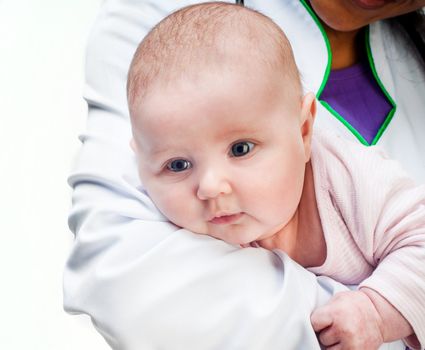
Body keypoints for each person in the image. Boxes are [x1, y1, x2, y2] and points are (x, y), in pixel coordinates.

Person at [64, 0, 425, 349]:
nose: (210, 187)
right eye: (178, 165)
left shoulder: (348, 176)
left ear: (303, 131)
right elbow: (126, 282)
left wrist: (377, 314)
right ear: (139, 162)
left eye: (241, 149)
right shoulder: (158, 27)